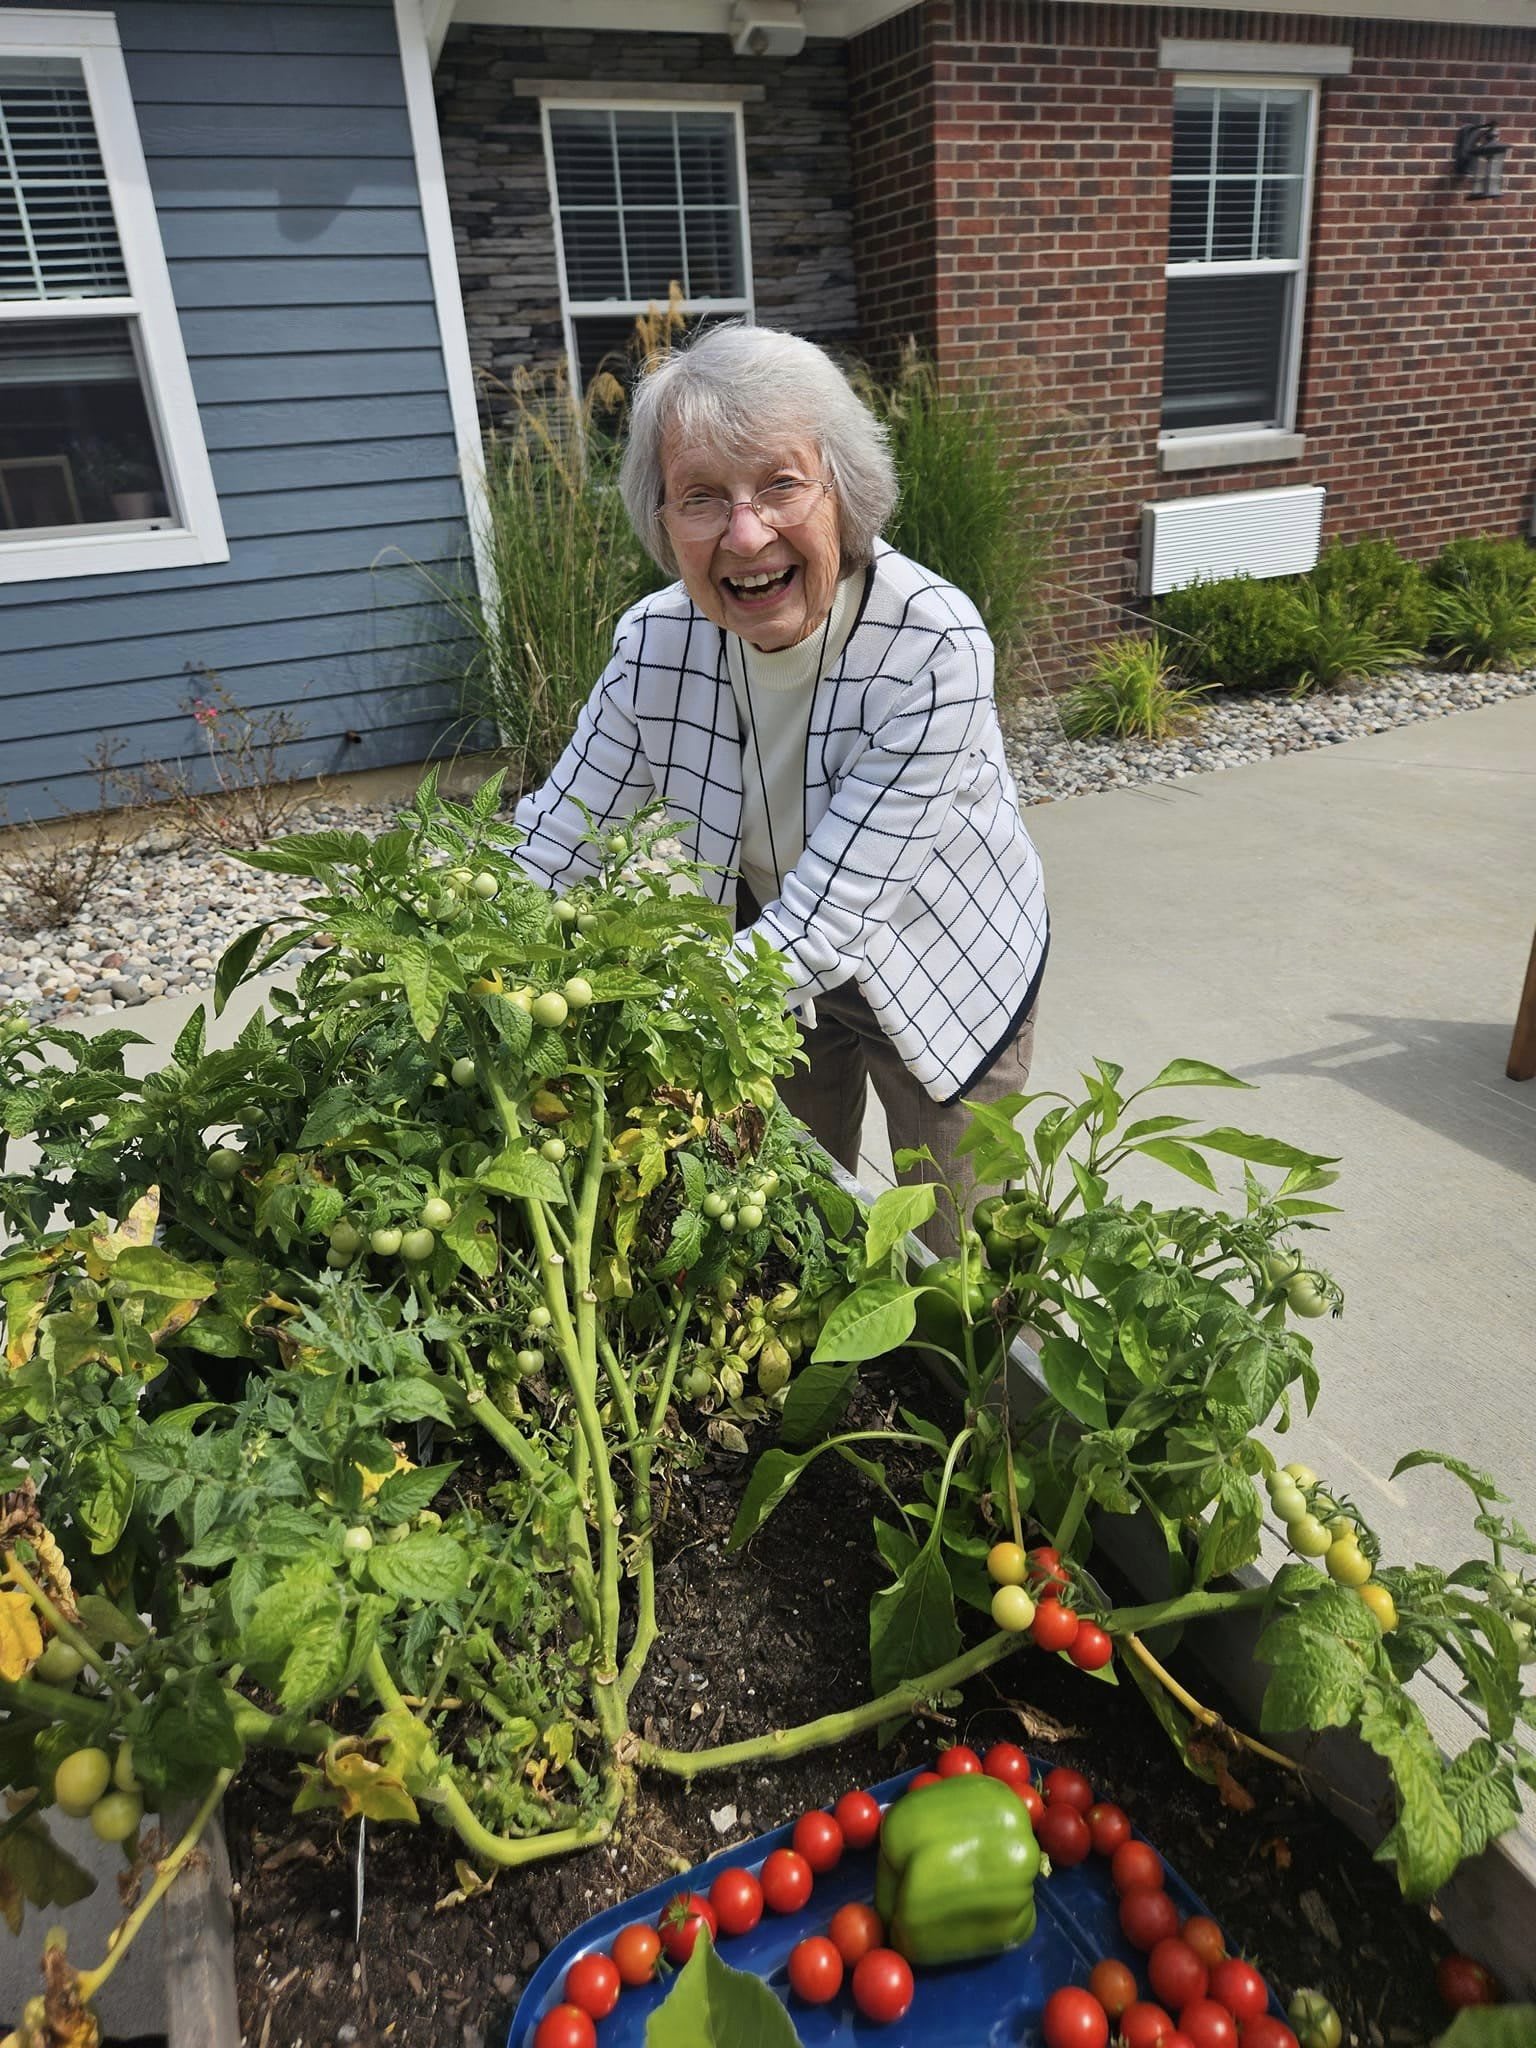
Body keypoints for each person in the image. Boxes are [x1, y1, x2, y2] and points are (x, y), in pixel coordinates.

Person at [512, 324, 1048, 1250]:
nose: (746, 534)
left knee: (967, 1258)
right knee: (801, 1223)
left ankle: (989, 1400)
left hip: (940, 964)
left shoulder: (929, 644)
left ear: (845, 491)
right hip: (776, 979)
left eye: (781, 485)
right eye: (702, 498)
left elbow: (835, 915)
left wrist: (653, 1025)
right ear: (662, 519)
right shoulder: (656, 643)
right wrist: (454, 943)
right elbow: (556, 841)